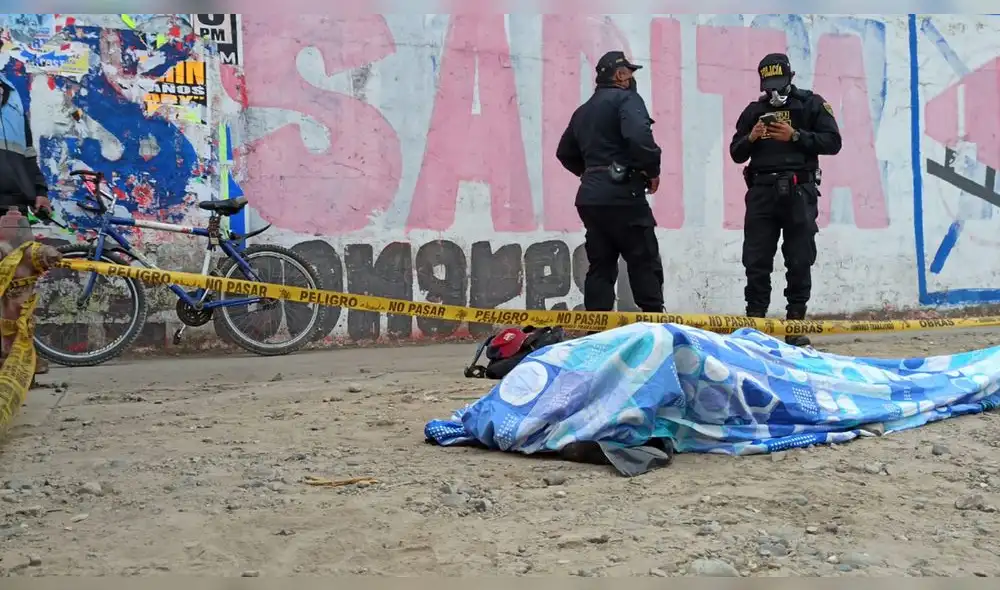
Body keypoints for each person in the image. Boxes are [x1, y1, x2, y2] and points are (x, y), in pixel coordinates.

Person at [729, 53, 842, 346]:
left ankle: (795, 324)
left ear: (791, 77)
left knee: (799, 257)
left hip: (798, 190)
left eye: (779, 82)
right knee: (756, 259)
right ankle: (755, 323)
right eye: (769, 84)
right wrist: (752, 137)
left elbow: (833, 142)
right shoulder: (754, 110)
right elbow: (736, 153)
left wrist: (795, 136)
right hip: (761, 192)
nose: (774, 90)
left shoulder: (810, 104)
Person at [556, 50, 664, 317]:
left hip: (591, 199)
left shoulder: (582, 111)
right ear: (619, 75)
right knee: (643, 260)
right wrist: (651, 170)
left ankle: (596, 328)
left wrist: (591, 173)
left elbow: (564, 152)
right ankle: (654, 325)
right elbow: (640, 138)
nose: (632, 78)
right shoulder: (628, 100)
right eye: (629, 72)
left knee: (601, 265)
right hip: (624, 195)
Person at [0, 32, 55, 377]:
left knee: (21, 289)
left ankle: (20, 362)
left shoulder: (13, 92)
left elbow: (28, 150)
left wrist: (39, 190)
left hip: (15, 207)